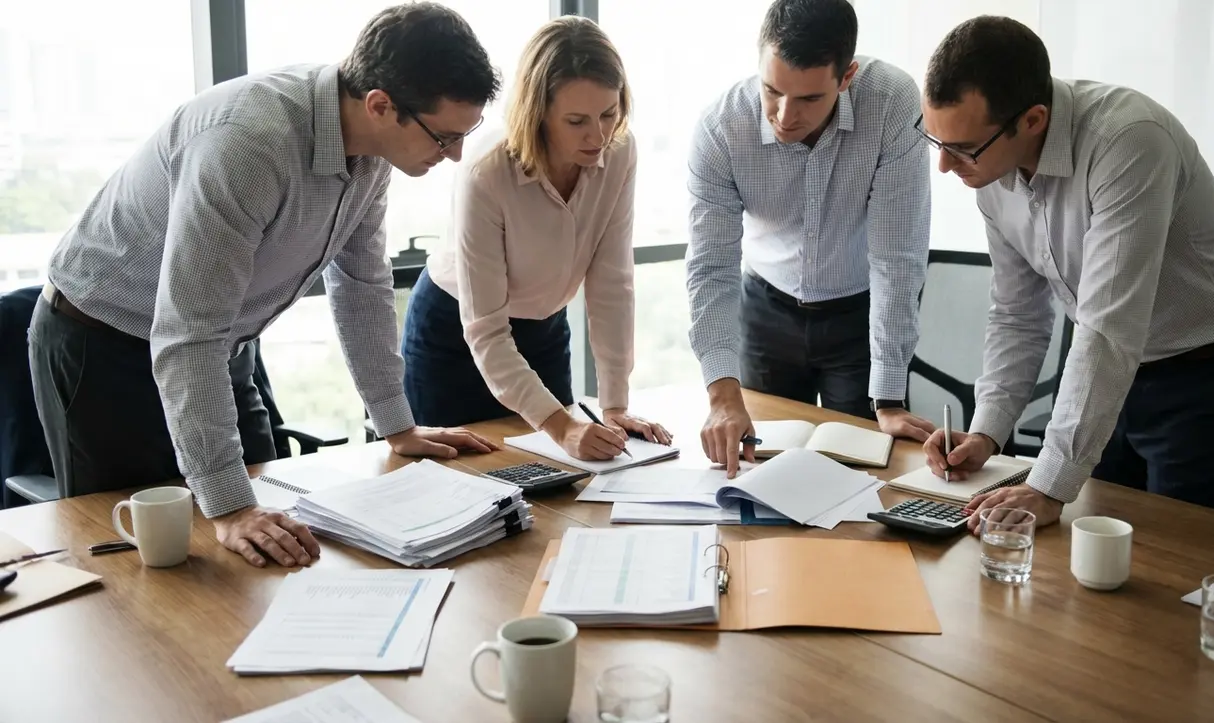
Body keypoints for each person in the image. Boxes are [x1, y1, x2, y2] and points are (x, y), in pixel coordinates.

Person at [28, 2, 502, 568]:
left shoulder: (374, 151)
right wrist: (229, 507)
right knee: (141, 560)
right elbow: (188, 332)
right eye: (445, 137)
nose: (456, 155)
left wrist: (396, 425)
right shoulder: (250, 142)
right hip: (104, 346)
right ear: (380, 105)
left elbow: (362, 285)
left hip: (219, 347)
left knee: (270, 539)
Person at [916, 16, 1214, 531]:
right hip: (1110, 377)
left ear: (1033, 120)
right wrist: (986, 433)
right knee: (1091, 549)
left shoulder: (1128, 140)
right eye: (937, 142)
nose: (946, 167)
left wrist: (1047, 485)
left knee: (1176, 555)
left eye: (963, 149)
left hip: (1207, 374)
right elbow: (1018, 314)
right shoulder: (990, 169)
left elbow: (1109, 327)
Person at [402, 16, 671, 461]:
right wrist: (561, 426)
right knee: (462, 481)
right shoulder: (487, 170)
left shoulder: (620, 150)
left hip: (543, 331)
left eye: (609, 113)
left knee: (561, 477)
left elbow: (612, 283)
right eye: (576, 120)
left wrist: (615, 406)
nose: (599, 135)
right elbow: (486, 331)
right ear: (539, 113)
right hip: (456, 338)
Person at [686, 0, 933, 476]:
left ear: (846, 77)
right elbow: (710, 267)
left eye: (808, 99)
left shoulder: (892, 103)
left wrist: (888, 397)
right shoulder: (721, 128)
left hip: (857, 317)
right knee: (758, 470)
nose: (784, 115)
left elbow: (896, 257)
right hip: (765, 311)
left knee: (860, 472)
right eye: (772, 90)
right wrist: (721, 394)